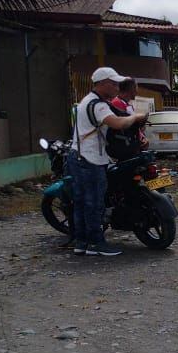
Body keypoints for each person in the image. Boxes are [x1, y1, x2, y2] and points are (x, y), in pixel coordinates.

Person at [68, 67, 149, 256]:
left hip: (77, 155)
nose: (116, 87)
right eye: (113, 84)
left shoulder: (86, 101)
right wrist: (136, 117)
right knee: (95, 202)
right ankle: (97, 243)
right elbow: (118, 123)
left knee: (81, 202)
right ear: (102, 83)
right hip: (91, 159)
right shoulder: (98, 105)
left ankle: (81, 242)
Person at [106, 77, 149, 161]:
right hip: (123, 148)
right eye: (136, 88)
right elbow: (125, 126)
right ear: (131, 89)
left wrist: (142, 138)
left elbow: (134, 126)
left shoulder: (127, 104)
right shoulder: (116, 103)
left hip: (131, 145)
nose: (137, 92)